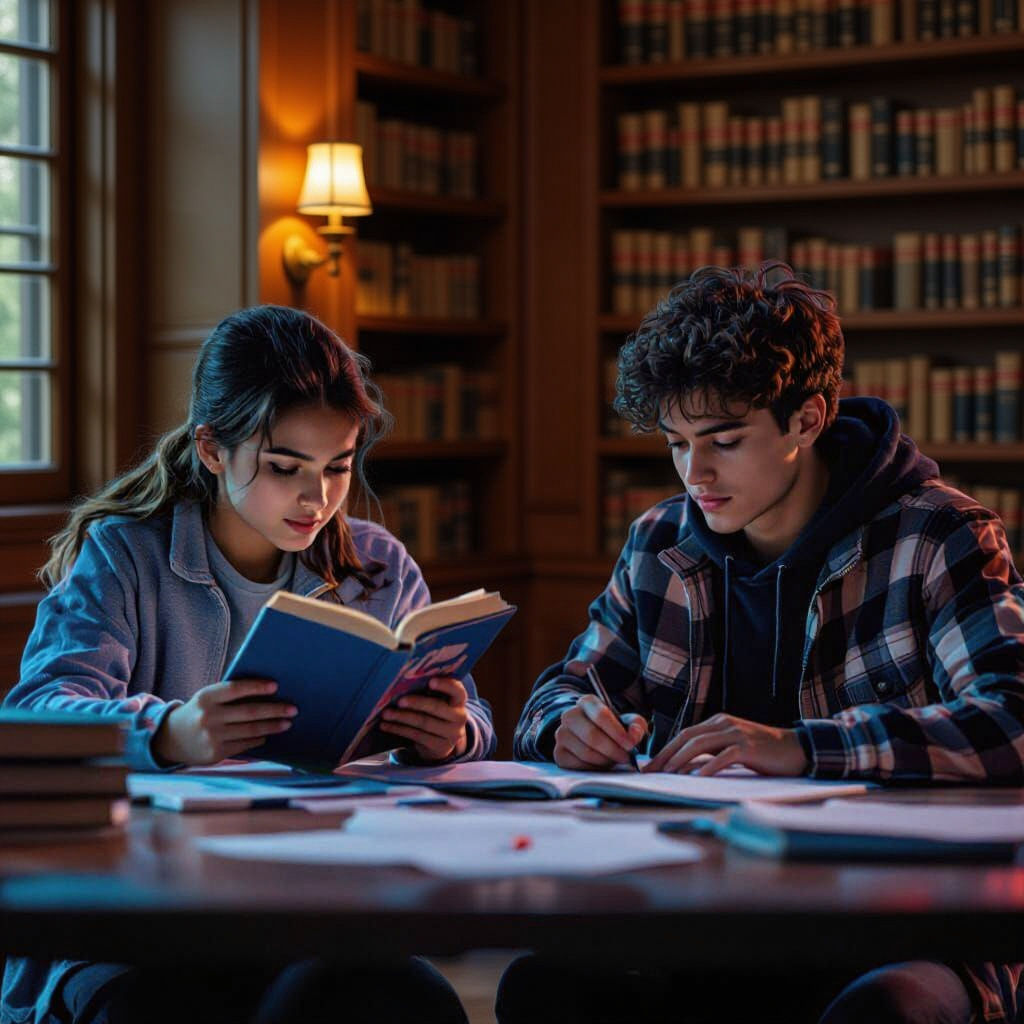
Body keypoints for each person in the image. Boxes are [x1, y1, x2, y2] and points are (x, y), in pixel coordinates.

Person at [503, 264, 1024, 1024]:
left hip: (900, 917)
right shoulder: (658, 542)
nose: (696, 474)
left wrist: (802, 747)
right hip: (702, 908)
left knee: (890, 1011)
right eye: (677, 444)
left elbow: (1012, 719)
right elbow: (563, 689)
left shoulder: (939, 534)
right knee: (543, 984)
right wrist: (568, 725)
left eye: (724, 440)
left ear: (808, 420)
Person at [2, 304, 488, 1024]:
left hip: (321, 902)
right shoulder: (126, 554)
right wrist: (168, 733)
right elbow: (38, 709)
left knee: (408, 1002)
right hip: (142, 922)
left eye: (338, 468)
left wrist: (452, 733)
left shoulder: (377, 566)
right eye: (284, 467)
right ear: (210, 448)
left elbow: (473, 712)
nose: (317, 498)